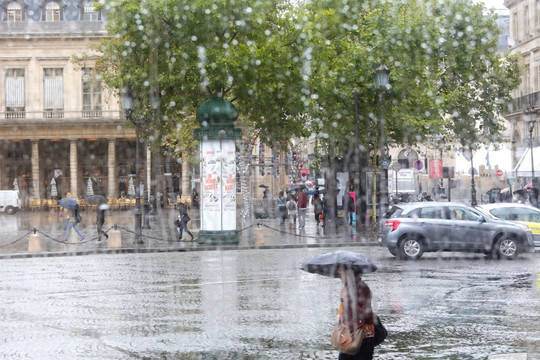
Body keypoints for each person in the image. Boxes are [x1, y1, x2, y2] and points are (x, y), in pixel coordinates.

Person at [336, 266, 376, 360]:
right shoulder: (346, 288)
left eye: (341, 273)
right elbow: (343, 307)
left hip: (363, 337)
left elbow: (365, 312)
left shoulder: (362, 288)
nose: (339, 276)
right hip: (349, 335)